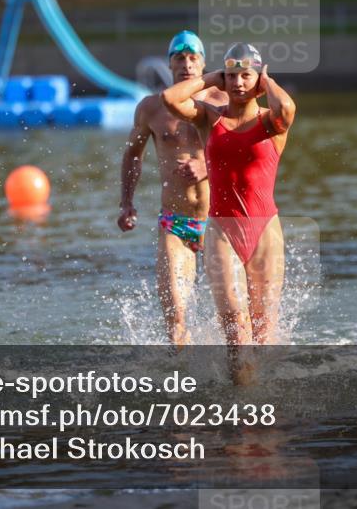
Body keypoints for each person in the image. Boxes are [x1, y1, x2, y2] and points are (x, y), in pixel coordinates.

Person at [161, 44, 296, 359]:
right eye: (231, 76)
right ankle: (236, 398)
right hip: (222, 229)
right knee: (236, 328)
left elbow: (287, 109)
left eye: (245, 76)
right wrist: (211, 78)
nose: (237, 83)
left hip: (266, 232)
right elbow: (170, 99)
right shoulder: (210, 119)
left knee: (263, 331)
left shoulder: (270, 123)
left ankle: (260, 400)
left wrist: (266, 81)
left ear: (258, 81)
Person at [118, 31, 228, 347]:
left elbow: (246, 153)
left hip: (220, 224)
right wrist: (126, 203)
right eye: (179, 58)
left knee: (235, 319)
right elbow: (132, 156)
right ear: (170, 64)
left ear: (204, 63)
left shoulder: (221, 103)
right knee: (176, 323)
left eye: (194, 58)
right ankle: (184, 386)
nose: (187, 64)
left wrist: (207, 168)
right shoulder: (151, 109)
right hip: (176, 226)